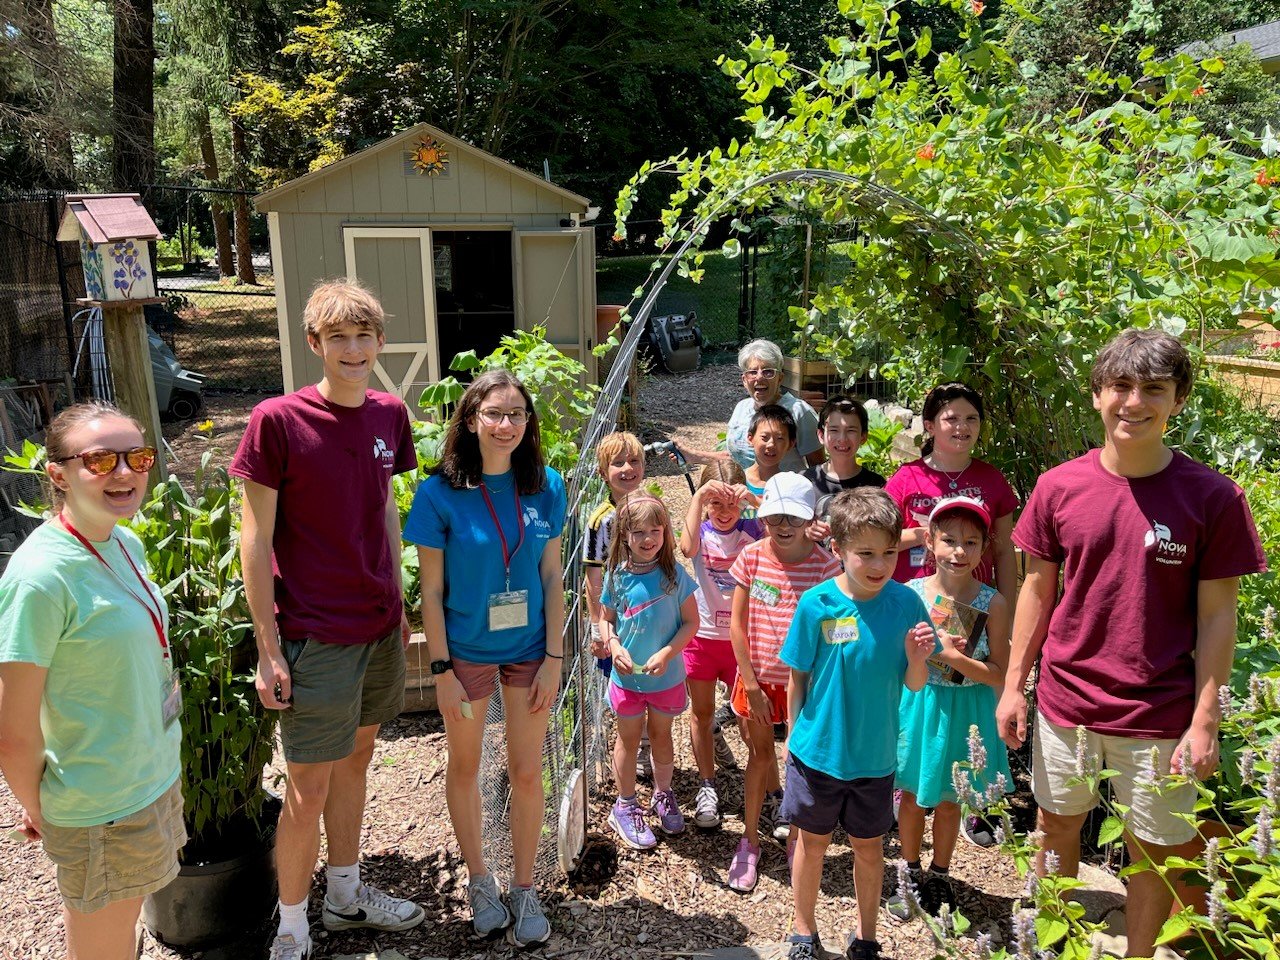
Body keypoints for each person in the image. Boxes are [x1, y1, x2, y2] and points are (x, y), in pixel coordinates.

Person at [995, 329, 1268, 960]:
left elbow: (1217, 617)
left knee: (1154, 849)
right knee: (1057, 823)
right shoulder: (1060, 487)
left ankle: (1140, 954)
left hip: (1161, 714)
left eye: (1154, 388)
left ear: (1178, 399)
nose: (1134, 402)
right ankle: (1057, 944)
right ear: (1097, 396)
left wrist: (1206, 722)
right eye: (1120, 386)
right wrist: (1014, 686)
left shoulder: (1214, 498)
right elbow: (1037, 592)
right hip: (1066, 702)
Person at [231, 278, 423, 960]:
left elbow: (384, 511)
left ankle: (344, 897)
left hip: (376, 628)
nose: (352, 348)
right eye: (337, 337)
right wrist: (268, 647)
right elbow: (254, 539)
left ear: (378, 342)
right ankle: (289, 928)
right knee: (307, 788)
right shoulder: (278, 421)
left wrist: (398, 600)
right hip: (314, 634)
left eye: (363, 335)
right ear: (314, 343)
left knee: (358, 760)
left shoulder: (387, 415)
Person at [0, 402, 184, 960]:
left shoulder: (126, 543)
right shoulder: (40, 577)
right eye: (100, 460)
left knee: (123, 923)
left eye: (137, 456)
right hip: (101, 803)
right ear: (58, 474)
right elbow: (13, 727)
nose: (124, 473)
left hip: (148, 777)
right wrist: (44, 808)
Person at [404, 369, 566, 947]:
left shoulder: (546, 484)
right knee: (467, 767)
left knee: (526, 769)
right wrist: (441, 670)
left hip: (528, 651)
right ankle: (480, 880)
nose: (506, 425)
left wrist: (554, 656)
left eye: (516, 414)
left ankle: (525, 887)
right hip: (465, 654)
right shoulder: (439, 493)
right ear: (470, 420)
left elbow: (551, 576)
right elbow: (428, 592)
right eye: (494, 414)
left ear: (529, 423)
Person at [781, 487, 935, 960]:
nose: (879, 564)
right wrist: (792, 739)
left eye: (889, 552)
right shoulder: (817, 605)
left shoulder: (907, 605)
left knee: (870, 850)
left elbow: (914, 685)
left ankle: (866, 938)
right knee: (812, 844)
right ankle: (803, 931)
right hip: (818, 751)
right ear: (838, 549)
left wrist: (917, 658)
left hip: (875, 755)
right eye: (865, 553)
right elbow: (797, 676)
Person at [887, 496, 1012, 927]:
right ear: (929, 540)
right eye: (949, 540)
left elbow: (1000, 674)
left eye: (971, 542)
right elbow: (894, 660)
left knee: (950, 799)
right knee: (911, 797)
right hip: (919, 705)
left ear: (984, 548)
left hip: (967, 712)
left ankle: (940, 874)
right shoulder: (909, 595)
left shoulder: (993, 603)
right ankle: (908, 873)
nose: (959, 551)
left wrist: (953, 657)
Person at [727, 473, 842, 892]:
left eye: (792, 516)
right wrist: (750, 682)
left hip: (804, 686)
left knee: (800, 762)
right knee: (759, 758)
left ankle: (796, 839)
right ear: (762, 516)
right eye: (774, 515)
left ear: (809, 516)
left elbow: (835, 628)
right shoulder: (752, 557)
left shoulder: (827, 566)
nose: (783, 525)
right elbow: (737, 626)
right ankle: (750, 839)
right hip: (757, 679)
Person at [600, 493, 699, 848]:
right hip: (627, 678)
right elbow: (606, 620)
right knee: (627, 739)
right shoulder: (616, 576)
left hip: (666, 677)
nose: (648, 539)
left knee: (661, 735)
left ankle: (663, 793)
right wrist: (613, 646)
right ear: (624, 535)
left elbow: (691, 622)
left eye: (655, 530)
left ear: (666, 532)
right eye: (639, 532)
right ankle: (625, 804)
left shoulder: (675, 575)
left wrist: (669, 653)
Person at [885, 383, 1018, 608]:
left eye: (971, 418)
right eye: (952, 419)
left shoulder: (992, 479)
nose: (962, 426)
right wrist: (925, 535)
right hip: (910, 602)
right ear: (930, 425)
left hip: (972, 605)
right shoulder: (905, 478)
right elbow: (880, 542)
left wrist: (1009, 613)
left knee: (961, 645)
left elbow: (1004, 551)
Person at [679, 461, 760, 829]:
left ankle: (761, 786)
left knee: (748, 716)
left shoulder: (753, 530)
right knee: (702, 713)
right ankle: (707, 784)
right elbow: (685, 546)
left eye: (732, 505)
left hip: (741, 640)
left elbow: (781, 541)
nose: (725, 513)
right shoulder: (701, 531)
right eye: (716, 504)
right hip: (703, 638)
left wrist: (755, 502)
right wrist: (698, 499)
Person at [679, 339, 823, 472]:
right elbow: (735, 459)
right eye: (752, 372)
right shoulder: (741, 408)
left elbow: (817, 467)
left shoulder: (799, 411)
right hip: (742, 495)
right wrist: (692, 456)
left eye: (768, 372)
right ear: (744, 380)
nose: (759, 377)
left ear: (780, 378)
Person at [583, 431, 646, 668]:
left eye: (634, 461)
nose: (627, 468)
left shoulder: (652, 508)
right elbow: (593, 577)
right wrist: (597, 629)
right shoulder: (601, 520)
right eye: (618, 463)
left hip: (651, 610)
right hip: (616, 620)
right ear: (603, 473)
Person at [804, 395, 886, 543]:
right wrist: (805, 530)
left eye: (851, 430)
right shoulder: (805, 481)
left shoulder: (876, 485)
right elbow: (788, 529)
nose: (842, 438)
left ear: (863, 437)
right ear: (821, 435)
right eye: (834, 430)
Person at [743, 404, 797, 500]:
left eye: (779, 438)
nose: (771, 444)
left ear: (791, 443)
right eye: (764, 437)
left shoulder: (791, 487)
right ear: (750, 438)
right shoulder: (737, 481)